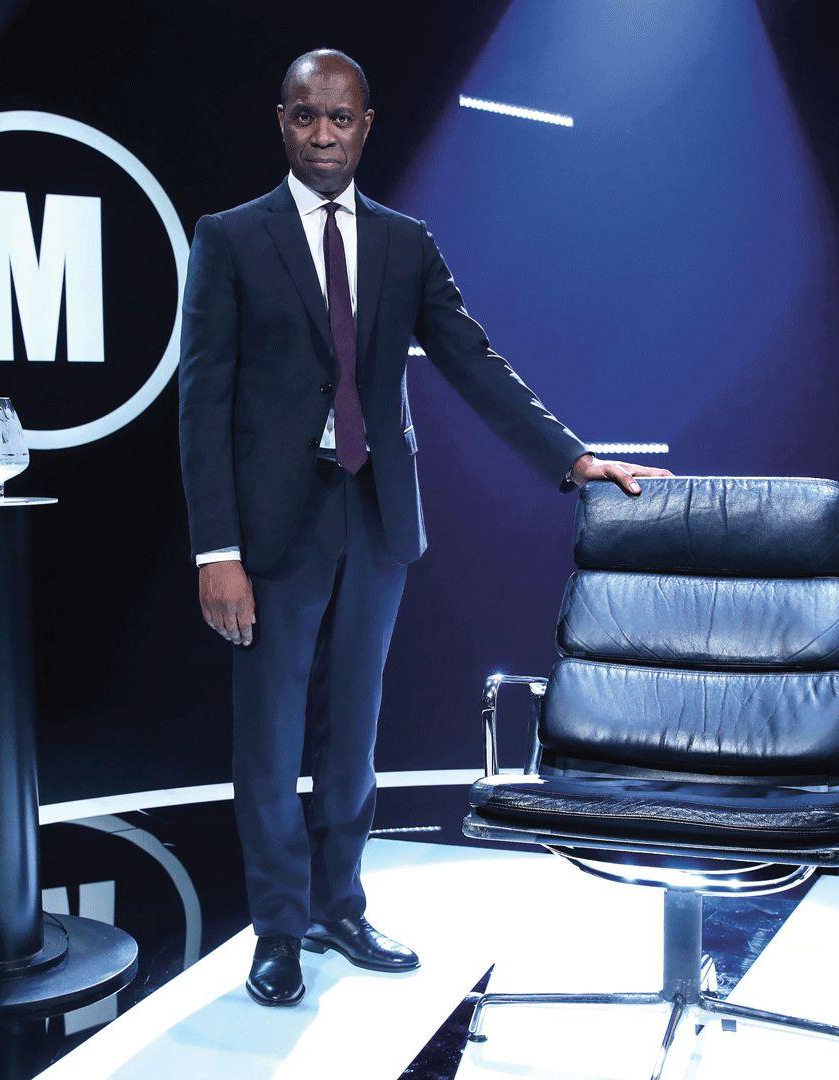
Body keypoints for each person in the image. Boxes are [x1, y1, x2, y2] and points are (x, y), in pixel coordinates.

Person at [177, 47, 670, 1007]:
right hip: (272, 528)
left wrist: (574, 458)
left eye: (342, 119)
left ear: (368, 125)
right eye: (307, 117)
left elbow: (473, 360)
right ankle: (278, 929)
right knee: (269, 743)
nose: (324, 136)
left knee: (353, 736)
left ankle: (340, 906)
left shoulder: (406, 242)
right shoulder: (231, 238)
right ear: (282, 121)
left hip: (377, 517)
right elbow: (203, 402)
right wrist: (217, 550)